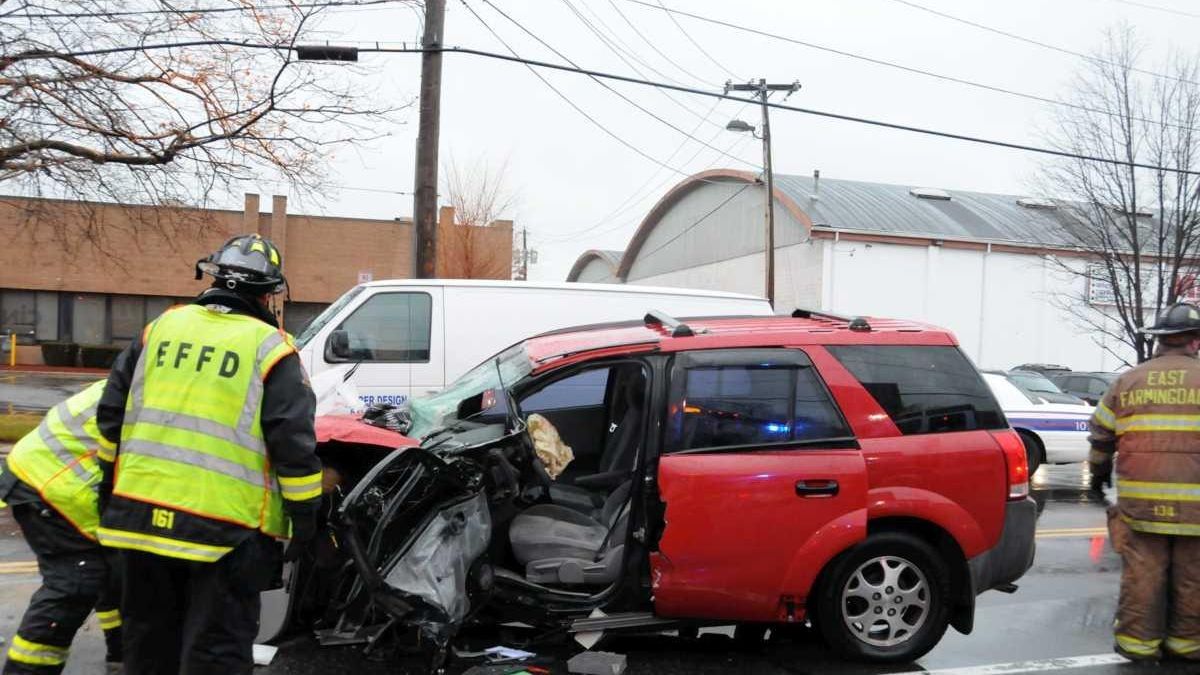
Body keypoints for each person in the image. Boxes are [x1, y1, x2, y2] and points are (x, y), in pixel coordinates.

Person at [95, 234, 322, 674]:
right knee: (214, 652)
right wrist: (305, 522)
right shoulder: (271, 349)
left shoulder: (159, 329)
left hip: (140, 521)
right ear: (270, 293)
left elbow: (110, 421)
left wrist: (108, 494)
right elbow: (293, 446)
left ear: (212, 276)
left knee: (149, 645)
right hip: (225, 533)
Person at [1089, 301, 1200, 662]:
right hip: (1196, 508)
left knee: (1143, 574)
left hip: (1140, 503)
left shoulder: (1128, 380)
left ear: (1160, 341)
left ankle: (1138, 644)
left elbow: (1101, 434)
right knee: (1192, 576)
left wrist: (1098, 474)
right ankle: (1187, 644)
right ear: (1194, 342)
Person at [0, 379, 122, 674]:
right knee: (76, 583)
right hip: (56, 485)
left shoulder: (144, 370)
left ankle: (124, 652)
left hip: (51, 476)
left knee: (114, 572)